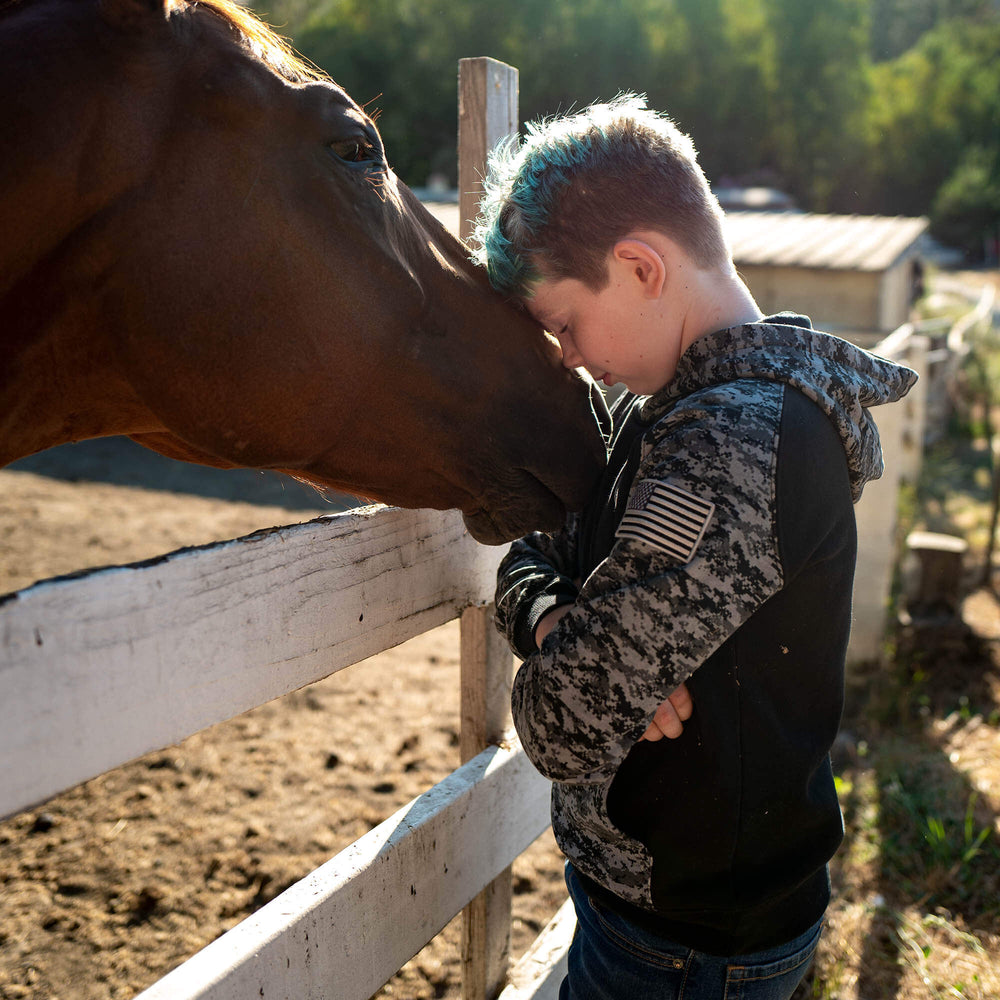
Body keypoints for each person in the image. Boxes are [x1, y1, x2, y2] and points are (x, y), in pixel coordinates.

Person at [473, 94, 917, 1000]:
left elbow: (560, 723)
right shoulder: (665, 410)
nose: (564, 357)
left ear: (639, 266)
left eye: (563, 324)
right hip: (662, 913)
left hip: (685, 947)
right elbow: (531, 555)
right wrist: (561, 617)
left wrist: (575, 656)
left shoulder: (734, 442)